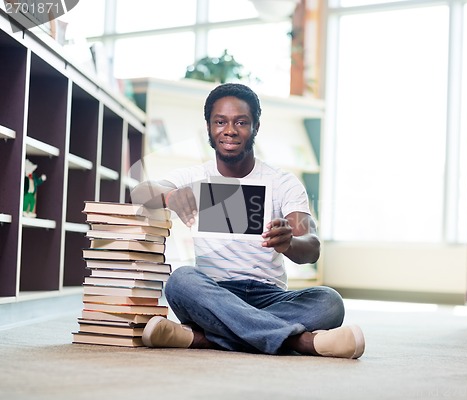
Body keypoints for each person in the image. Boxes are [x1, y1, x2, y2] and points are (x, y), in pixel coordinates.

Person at [131, 83, 365, 358]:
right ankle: (299, 342)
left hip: (269, 296)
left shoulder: (283, 182)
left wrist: (289, 242)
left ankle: (204, 338)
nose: (229, 130)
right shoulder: (194, 176)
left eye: (241, 122)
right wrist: (170, 196)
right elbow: (139, 192)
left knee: (329, 302)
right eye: (220, 122)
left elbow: (312, 248)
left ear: (255, 127)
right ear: (208, 126)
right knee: (180, 281)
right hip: (213, 292)